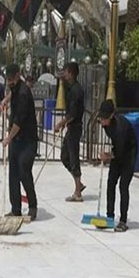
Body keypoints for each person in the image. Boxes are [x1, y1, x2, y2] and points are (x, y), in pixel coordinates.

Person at [1, 64, 38, 220]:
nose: (9, 82)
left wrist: (8, 138)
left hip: (27, 140)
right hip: (16, 140)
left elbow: (18, 121)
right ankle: (15, 208)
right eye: (7, 80)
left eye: (11, 79)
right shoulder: (16, 89)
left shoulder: (23, 93)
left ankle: (32, 206)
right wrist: (5, 100)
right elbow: (12, 93)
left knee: (24, 171)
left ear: (17, 76)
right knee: (13, 174)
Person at [98, 99, 136, 232]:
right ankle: (109, 217)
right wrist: (108, 154)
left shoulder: (121, 127)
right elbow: (115, 149)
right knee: (110, 183)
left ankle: (123, 221)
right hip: (118, 151)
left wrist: (107, 156)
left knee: (123, 186)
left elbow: (119, 152)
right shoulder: (105, 124)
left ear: (112, 115)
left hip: (129, 155)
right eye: (101, 118)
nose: (102, 121)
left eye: (104, 118)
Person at [55, 62, 86, 202]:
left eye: (66, 72)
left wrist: (61, 123)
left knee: (73, 157)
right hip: (71, 127)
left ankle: (78, 192)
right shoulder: (70, 88)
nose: (64, 74)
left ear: (71, 73)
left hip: (75, 127)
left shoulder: (76, 90)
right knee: (65, 156)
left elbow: (73, 113)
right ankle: (78, 183)